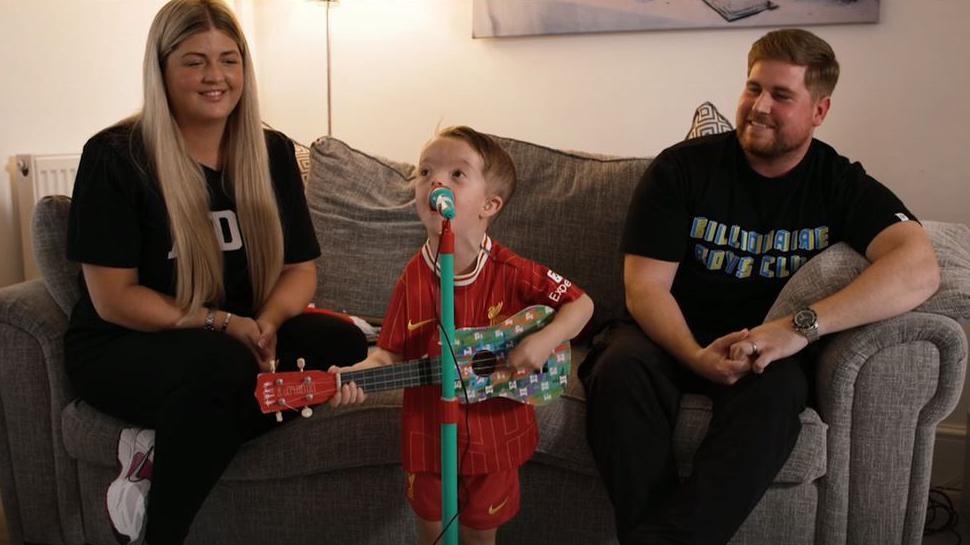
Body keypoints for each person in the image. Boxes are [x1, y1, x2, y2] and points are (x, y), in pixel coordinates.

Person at [579, 28, 940, 545]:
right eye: (753, 88)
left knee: (779, 393)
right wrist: (695, 355)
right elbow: (646, 288)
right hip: (667, 336)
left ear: (819, 110)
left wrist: (797, 329)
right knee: (616, 369)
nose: (759, 106)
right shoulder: (681, 169)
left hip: (764, 350)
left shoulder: (836, 182)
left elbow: (919, 264)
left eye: (782, 95)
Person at [63, 1, 367, 544]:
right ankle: (159, 532)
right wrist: (225, 324)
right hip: (123, 344)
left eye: (229, 60)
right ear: (161, 70)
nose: (215, 77)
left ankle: (162, 446)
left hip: (239, 337)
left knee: (339, 342)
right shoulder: (115, 157)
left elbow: (300, 270)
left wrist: (268, 322)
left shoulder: (270, 152)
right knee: (222, 368)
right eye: (194, 61)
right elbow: (114, 299)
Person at [330, 126, 595, 545]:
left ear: (490, 205)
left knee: (478, 537)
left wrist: (543, 340)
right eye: (425, 172)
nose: (435, 181)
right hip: (430, 436)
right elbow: (388, 355)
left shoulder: (512, 270)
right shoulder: (412, 279)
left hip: (493, 438)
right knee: (433, 535)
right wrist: (352, 376)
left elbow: (582, 304)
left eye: (457, 174)